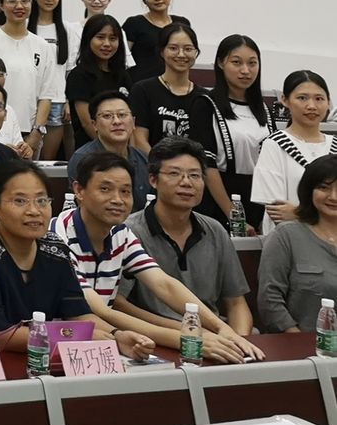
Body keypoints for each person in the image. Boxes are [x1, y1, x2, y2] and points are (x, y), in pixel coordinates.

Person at [52, 151, 261, 363]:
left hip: (103, 342)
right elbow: (101, 310)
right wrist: (189, 339)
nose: (117, 199)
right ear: (79, 190)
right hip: (56, 345)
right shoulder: (58, 236)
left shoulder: (120, 233)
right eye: (105, 189)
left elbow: (164, 284)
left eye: (125, 191)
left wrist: (222, 328)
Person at [0, 161, 154, 357]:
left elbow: (78, 314)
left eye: (41, 200)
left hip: (37, 355)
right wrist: (76, 337)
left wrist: (117, 335)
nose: (34, 211)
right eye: (20, 201)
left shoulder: (55, 248)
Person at [123, 138, 253, 335]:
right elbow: (119, 305)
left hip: (214, 335)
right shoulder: (129, 231)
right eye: (174, 173)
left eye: (194, 175)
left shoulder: (215, 230)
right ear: (153, 180)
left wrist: (239, 340)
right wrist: (187, 331)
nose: (186, 182)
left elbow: (236, 303)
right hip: (152, 337)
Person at [187, 34, 274, 227]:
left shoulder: (265, 110)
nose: (246, 70)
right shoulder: (205, 104)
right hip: (219, 201)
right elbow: (207, 165)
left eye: (252, 63)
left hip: (258, 199)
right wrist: (233, 214)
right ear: (220, 63)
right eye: (236, 62)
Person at [0, 0, 59, 155]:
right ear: (1, 5)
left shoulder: (42, 46)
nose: (19, 6)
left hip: (28, 132)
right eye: (12, 1)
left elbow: (46, 95)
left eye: (25, 1)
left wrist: (37, 133)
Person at [257, 155, 337, 334]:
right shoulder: (286, 235)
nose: (333, 196)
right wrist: (297, 340)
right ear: (309, 190)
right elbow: (270, 300)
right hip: (300, 344)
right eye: (323, 187)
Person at [252, 70, 334, 223]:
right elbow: (277, 210)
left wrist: (298, 213)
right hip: (288, 234)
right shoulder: (275, 144)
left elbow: (291, 213)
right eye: (302, 98)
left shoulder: (334, 145)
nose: (311, 106)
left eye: (319, 98)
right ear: (285, 100)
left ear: (328, 102)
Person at [69, 91, 151, 211]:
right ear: (94, 125)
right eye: (107, 116)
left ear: (133, 122)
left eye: (122, 115)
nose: (117, 121)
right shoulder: (82, 158)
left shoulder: (144, 159)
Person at [129, 23, 204, 153]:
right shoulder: (142, 90)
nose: (181, 54)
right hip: (152, 164)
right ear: (162, 51)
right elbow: (139, 139)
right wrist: (160, 165)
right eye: (173, 48)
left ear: (196, 53)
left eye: (188, 49)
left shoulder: (204, 97)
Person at [66, 14, 131, 153]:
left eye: (113, 38)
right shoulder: (79, 76)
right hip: (91, 152)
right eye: (100, 37)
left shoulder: (123, 75)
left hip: (122, 151)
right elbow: (87, 122)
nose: (107, 44)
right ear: (88, 39)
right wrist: (111, 149)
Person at [30, 0, 77, 160]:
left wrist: (68, 101)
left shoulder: (67, 29)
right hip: (29, 100)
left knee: (47, 160)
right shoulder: (25, 26)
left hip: (57, 99)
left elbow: (70, 69)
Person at [122, 0, 190, 84]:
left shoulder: (182, 23)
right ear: (144, 0)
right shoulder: (134, 23)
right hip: (141, 85)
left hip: (174, 84)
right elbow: (123, 58)